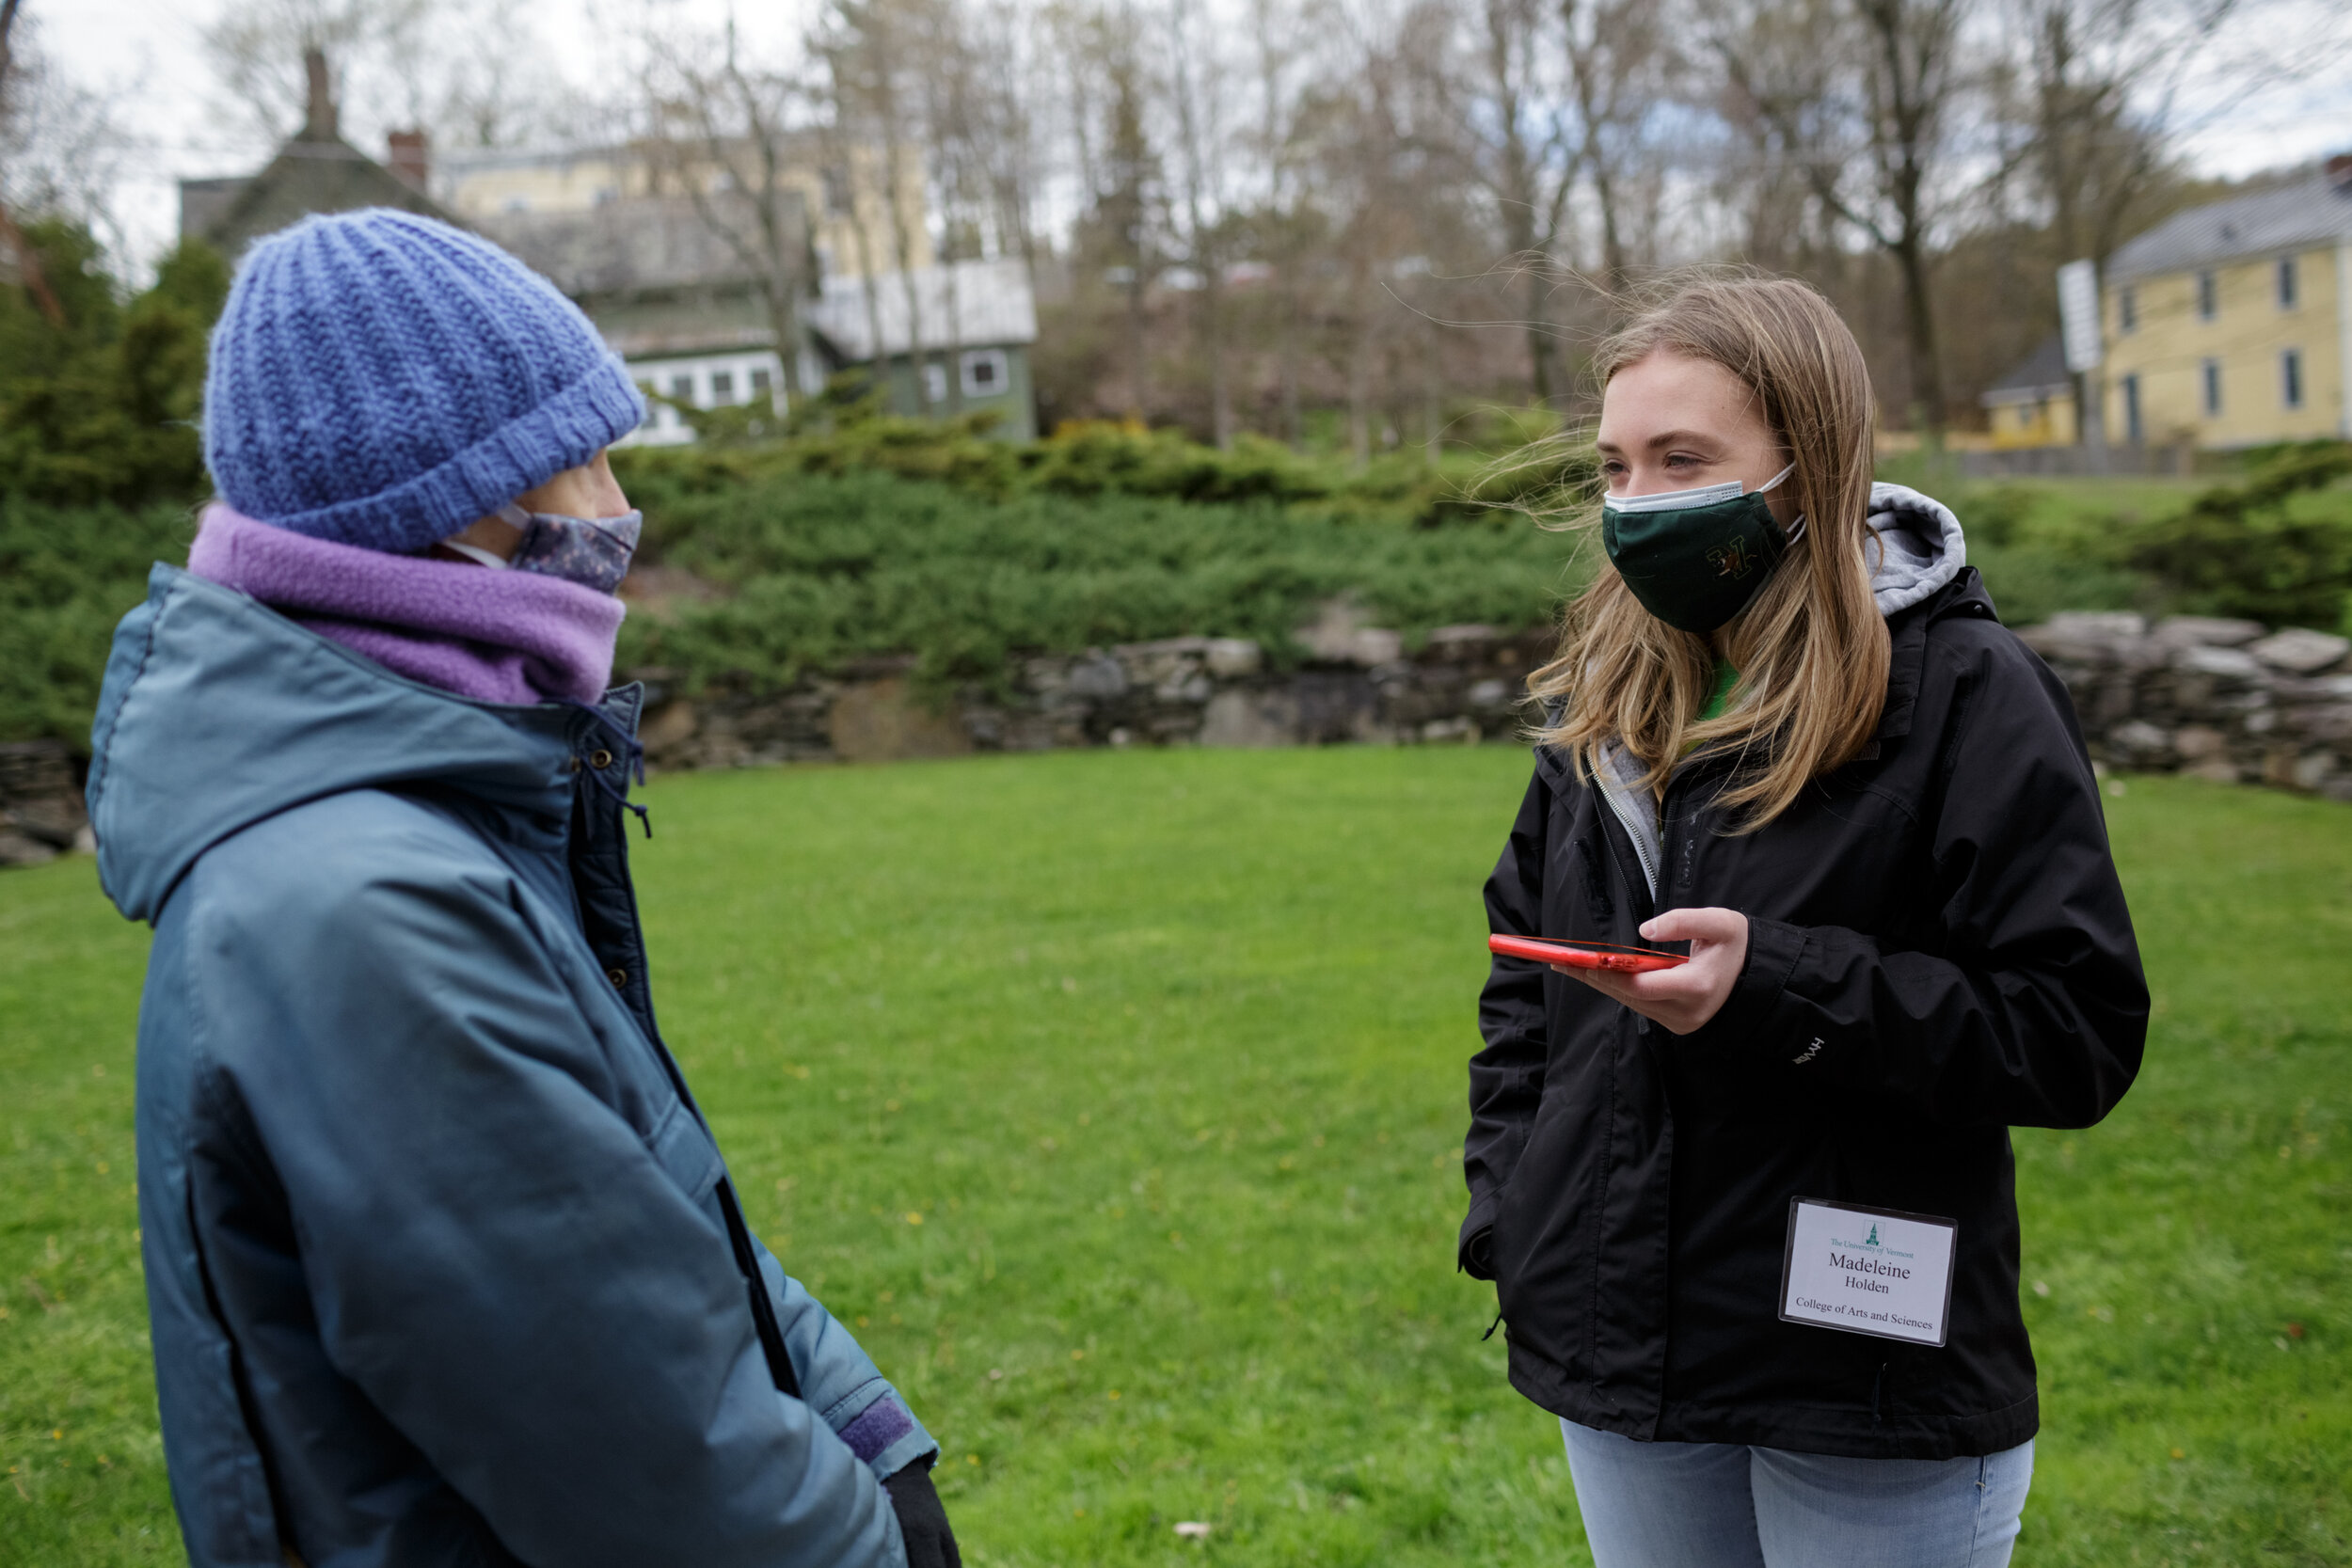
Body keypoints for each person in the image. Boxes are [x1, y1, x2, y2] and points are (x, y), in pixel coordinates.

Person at [88, 209, 960, 1568]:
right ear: (457, 505)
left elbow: (654, 1231)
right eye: (586, 461)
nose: (618, 512)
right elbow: (644, 1461)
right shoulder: (358, 916)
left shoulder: (431, 823)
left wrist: (867, 1441)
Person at [1456, 275, 2147, 1568]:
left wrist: (1775, 986)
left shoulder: (1964, 691)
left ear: (1805, 465)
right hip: (1624, 1359)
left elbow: (2075, 1031)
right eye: (1616, 465)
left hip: (1862, 1370)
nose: (1639, 503)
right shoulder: (1607, 700)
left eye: (1685, 460)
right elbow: (1519, 1000)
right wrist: (1516, 1220)